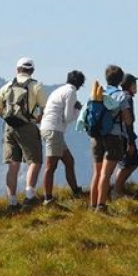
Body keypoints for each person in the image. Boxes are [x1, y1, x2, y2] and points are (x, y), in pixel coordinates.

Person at [0, 57, 47, 211]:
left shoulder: (7, 86)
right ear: (32, 70)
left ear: (17, 69)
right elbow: (45, 107)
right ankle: (29, 196)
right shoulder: (36, 86)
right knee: (34, 161)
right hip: (27, 126)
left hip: (9, 127)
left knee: (13, 164)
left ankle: (12, 203)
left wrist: (8, 117)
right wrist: (36, 119)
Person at [88, 66, 134, 211]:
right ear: (120, 80)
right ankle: (101, 206)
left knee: (97, 172)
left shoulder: (96, 94)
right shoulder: (120, 96)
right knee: (106, 174)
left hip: (96, 137)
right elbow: (128, 120)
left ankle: (92, 205)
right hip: (113, 137)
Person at [40, 70, 85, 205]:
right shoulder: (71, 92)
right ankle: (48, 199)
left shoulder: (59, 90)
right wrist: (78, 110)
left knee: (69, 161)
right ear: (79, 84)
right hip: (54, 131)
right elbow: (68, 117)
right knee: (50, 166)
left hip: (49, 128)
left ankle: (76, 191)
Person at [113, 74, 138, 197]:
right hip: (126, 137)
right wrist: (130, 142)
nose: (136, 86)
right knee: (127, 164)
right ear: (130, 85)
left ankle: (118, 187)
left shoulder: (121, 96)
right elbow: (127, 122)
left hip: (123, 136)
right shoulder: (127, 98)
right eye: (135, 84)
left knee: (131, 162)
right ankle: (116, 191)